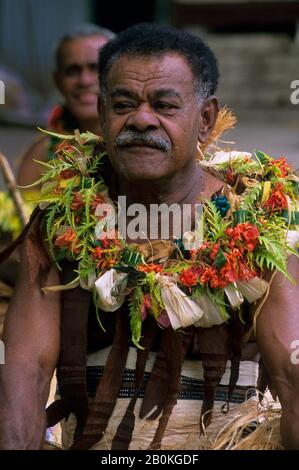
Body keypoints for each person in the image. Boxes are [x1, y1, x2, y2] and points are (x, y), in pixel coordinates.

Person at [0, 23, 298, 451]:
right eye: (123, 104)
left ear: (206, 119)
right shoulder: (58, 227)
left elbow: (293, 377)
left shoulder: (258, 227)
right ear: (102, 115)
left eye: (164, 104)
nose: (140, 118)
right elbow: (24, 374)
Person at [17, 23, 114, 187]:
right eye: (72, 70)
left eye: (96, 68)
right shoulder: (42, 153)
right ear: (58, 82)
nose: (84, 80)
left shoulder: (135, 146)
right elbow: (19, 210)